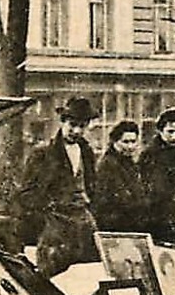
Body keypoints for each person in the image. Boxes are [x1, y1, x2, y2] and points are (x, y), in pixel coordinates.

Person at [15, 97, 99, 278]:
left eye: (82, 126)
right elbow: (26, 194)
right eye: (72, 124)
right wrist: (46, 214)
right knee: (52, 277)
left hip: (83, 223)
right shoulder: (43, 153)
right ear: (63, 122)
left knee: (87, 275)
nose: (76, 130)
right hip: (56, 225)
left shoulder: (87, 152)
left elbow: (92, 186)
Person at [139, 107, 175, 255]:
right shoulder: (150, 154)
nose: (174, 136)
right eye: (170, 132)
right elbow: (152, 189)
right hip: (160, 218)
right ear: (160, 130)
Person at [93, 120, 147, 233]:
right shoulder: (107, 165)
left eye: (133, 141)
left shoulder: (131, 164)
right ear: (114, 142)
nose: (130, 146)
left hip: (131, 225)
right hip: (115, 227)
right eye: (125, 142)